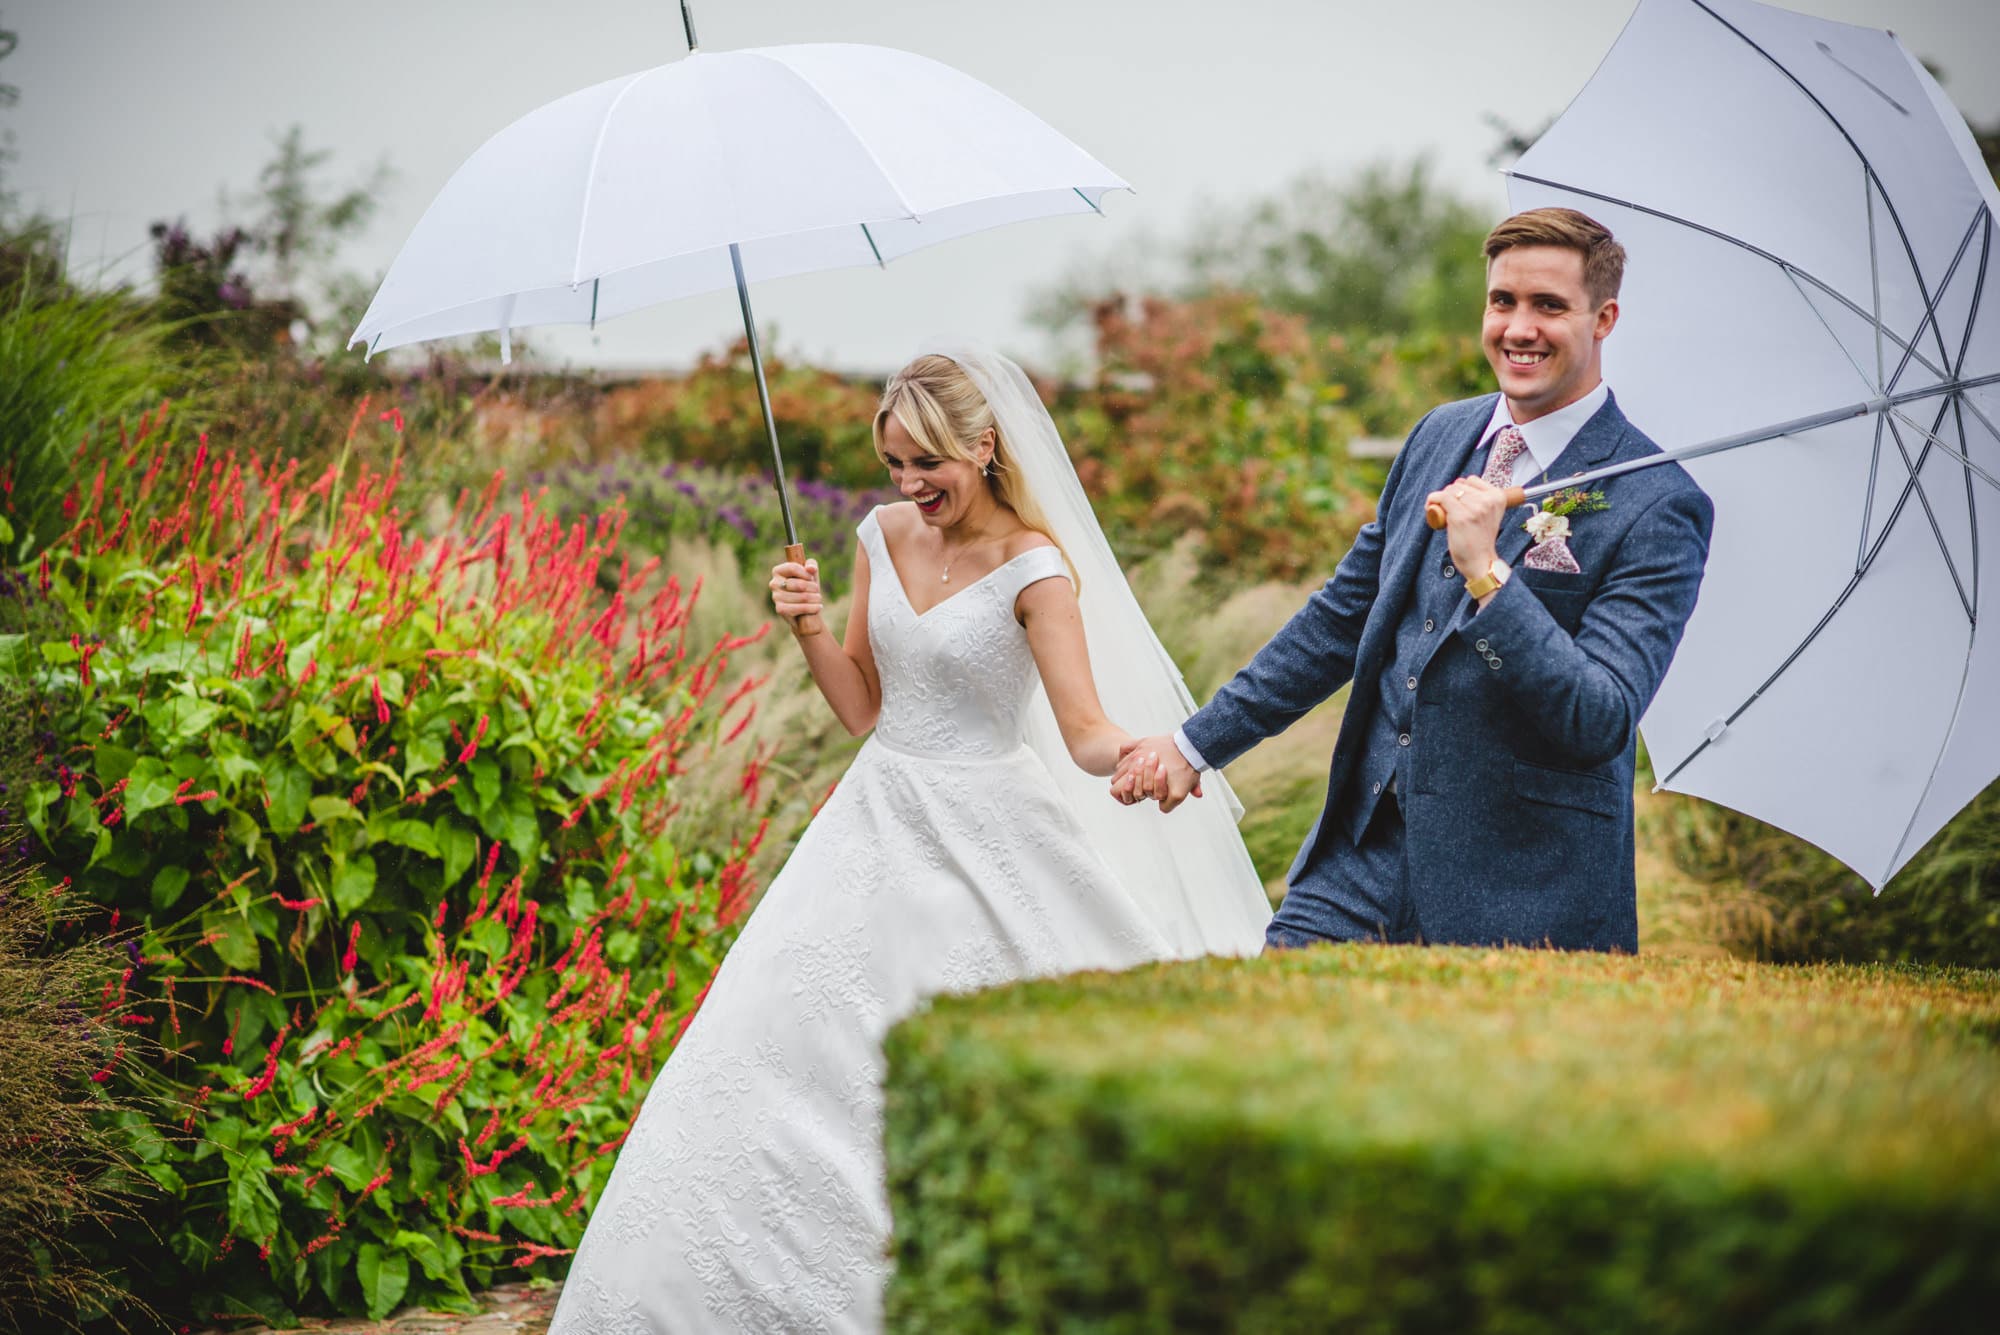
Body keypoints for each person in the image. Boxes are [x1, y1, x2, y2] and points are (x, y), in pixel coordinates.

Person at [549, 346, 1269, 1334]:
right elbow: (861, 710)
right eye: (892, 463)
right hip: (875, 820)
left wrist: (1160, 757)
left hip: (993, 831)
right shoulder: (878, 535)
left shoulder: (1035, 568)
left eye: (925, 462)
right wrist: (805, 627)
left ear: (982, 446)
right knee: (784, 1047)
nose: (907, 484)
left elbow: (1083, 730)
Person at [1116, 207, 1713, 954]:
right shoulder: (1438, 434)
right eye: (1503, 301)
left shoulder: (1659, 504)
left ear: (1604, 318)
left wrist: (1490, 575)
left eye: (1549, 306)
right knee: (1273, 1048)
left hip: (1525, 894)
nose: (1518, 328)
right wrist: (1194, 744)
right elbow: (1340, 621)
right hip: (1355, 863)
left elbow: (1596, 719)